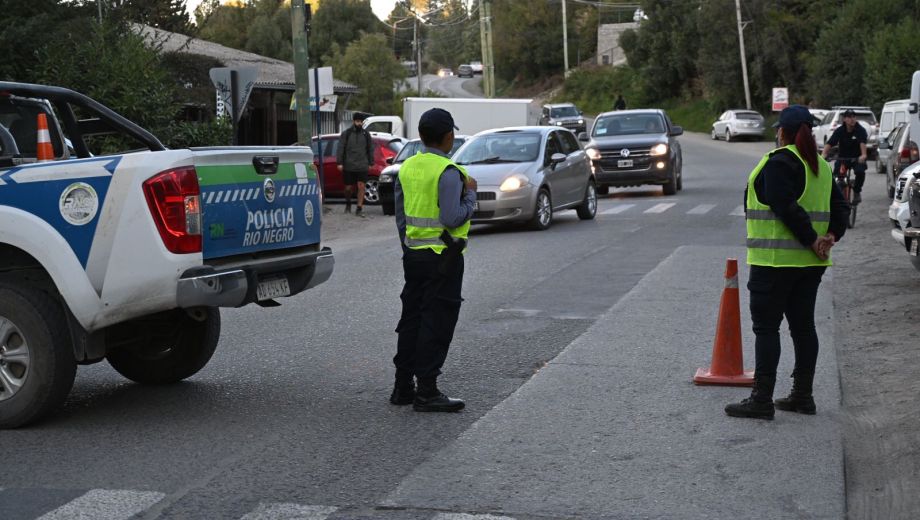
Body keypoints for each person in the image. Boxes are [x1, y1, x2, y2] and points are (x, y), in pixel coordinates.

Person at [726, 104, 850, 420]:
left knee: (766, 329)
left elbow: (784, 206)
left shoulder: (779, 162)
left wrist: (811, 238)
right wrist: (829, 237)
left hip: (774, 263)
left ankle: (762, 399)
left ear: (783, 132)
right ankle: (802, 396)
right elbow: (840, 210)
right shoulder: (821, 166)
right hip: (811, 265)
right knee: (803, 327)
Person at [390, 108, 477, 412]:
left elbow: (402, 218)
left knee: (412, 318)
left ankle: (403, 387)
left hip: (414, 255)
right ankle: (427, 391)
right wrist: (471, 198)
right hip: (444, 257)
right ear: (448, 137)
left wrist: (409, 248)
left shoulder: (407, 167)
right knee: (437, 320)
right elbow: (451, 217)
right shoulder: (448, 171)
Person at [821, 108, 868, 204]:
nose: (852, 119)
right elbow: (830, 143)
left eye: (854, 117)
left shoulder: (860, 130)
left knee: (860, 172)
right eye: (849, 117)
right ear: (844, 119)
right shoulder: (840, 130)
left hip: (856, 159)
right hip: (843, 159)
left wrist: (863, 155)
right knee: (836, 176)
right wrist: (824, 154)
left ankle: (856, 192)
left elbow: (862, 143)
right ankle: (837, 196)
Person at [336, 112, 374, 217]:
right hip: (349, 165)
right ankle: (348, 203)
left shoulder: (366, 135)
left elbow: (370, 149)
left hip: (362, 165)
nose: (359, 123)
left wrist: (371, 162)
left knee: (361, 186)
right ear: (353, 121)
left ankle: (359, 208)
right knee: (348, 188)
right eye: (357, 121)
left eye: (361, 121)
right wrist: (339, 162)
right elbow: (340, 148)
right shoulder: (346, 134)